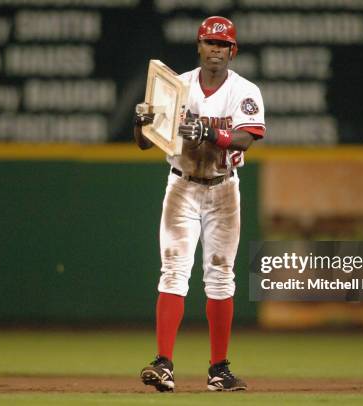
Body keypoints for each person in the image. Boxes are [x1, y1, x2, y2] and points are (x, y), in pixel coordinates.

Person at [133, 16, 265, 392]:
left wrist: (209, 131)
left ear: (232, 51)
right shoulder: (177, 88)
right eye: (210, 43)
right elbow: (146, 142)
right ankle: (163, 364)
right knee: (174, 270)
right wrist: (139, 122)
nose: (216, 50)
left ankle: (219, 371)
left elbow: (246, 138)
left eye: (223, 45)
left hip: (224, 190)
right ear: (199, 46)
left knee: (221, 278)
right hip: (183, 187)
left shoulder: (244, 90)